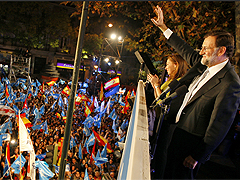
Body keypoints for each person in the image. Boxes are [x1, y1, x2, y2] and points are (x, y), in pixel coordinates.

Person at [151, 5, 240, 179]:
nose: (201, 52)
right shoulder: (204, 64)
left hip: (190, 148)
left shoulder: (230, 82)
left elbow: (219, 126)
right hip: (174, 134)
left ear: (221, 51)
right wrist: (163, 27)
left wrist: (198, 155)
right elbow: (184, 49)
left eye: (206, 48)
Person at [147, 54, 189, 179]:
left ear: (176, 65)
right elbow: (157, 98)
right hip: (159, 119)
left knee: (161, 152)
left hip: (167, 123)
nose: (165, 68)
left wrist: (156, 86)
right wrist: (156, 85)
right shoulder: (170, 80)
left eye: (167, 65)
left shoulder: (180, 83)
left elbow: (163, 102)